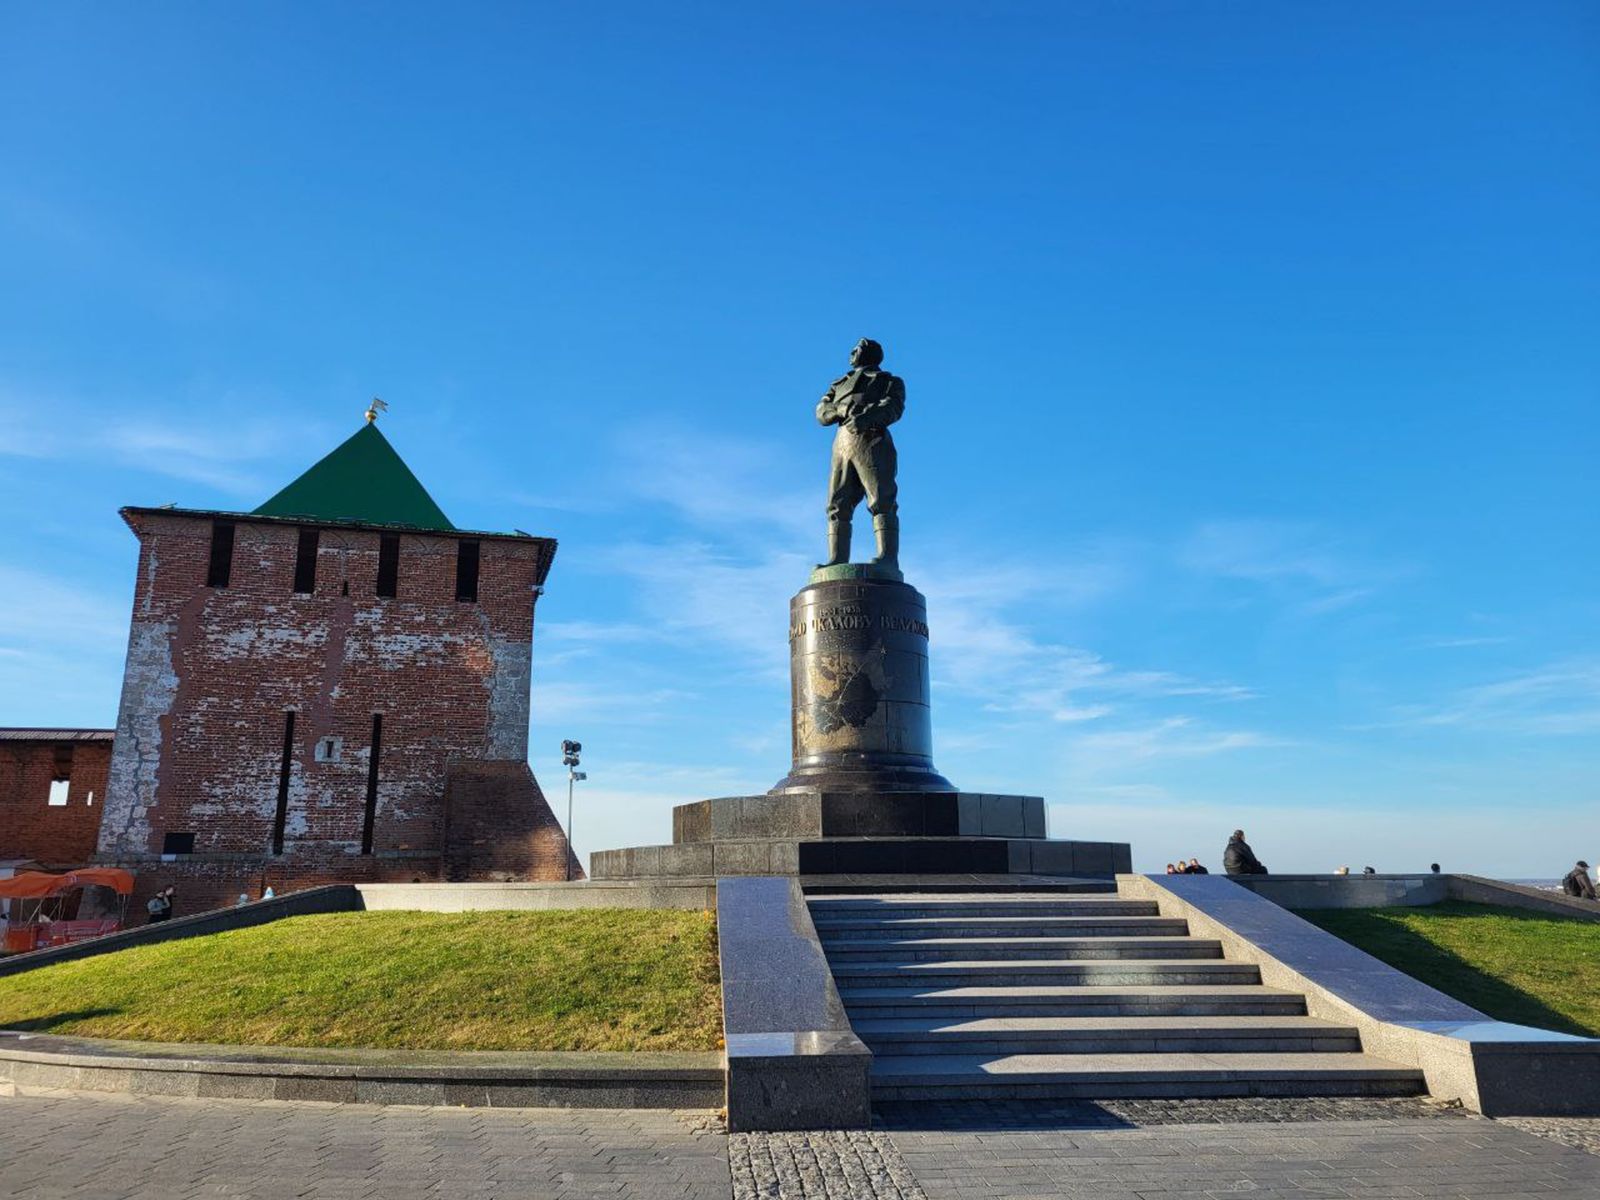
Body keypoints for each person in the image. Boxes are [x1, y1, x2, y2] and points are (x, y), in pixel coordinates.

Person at [817, 338, 905, 568]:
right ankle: (837, 560)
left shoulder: (887, 381)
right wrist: (841, 408)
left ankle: (887, 558)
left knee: (881, 499)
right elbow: (821, 411)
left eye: (856, 349)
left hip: (872, 441)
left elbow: (893, 408)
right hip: (842, 445)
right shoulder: (839, 385)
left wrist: (866, 417)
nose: (852, 353)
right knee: (837, 504)